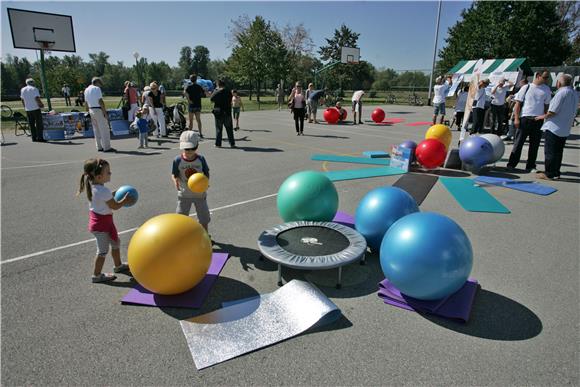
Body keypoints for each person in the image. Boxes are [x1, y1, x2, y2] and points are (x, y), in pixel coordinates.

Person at [77, 158, 132, 283]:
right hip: (101, 225)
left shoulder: (95, 187)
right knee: (102, 251)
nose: (110, 173)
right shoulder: (103, 191)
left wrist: (115, 193)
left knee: (115, 242)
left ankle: (118, 266)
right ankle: (96, 275)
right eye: (108, 172)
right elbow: (115, 206)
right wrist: (125, 200)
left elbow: (104, 198)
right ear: (99, 176)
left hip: (103, 222)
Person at [507, 70, 552, 172]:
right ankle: (511, 164)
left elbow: (546, 106)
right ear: (538, 76)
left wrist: (544, 118)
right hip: (525, 119)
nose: (546, 79)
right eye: (545, 77)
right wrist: (517, 119)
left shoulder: (546, 89)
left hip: (538, 120)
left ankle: (531, 165)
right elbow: (518, 104)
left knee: (534, 145)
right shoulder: (526, 87)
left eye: (547, 77)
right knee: (518, 143)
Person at [535, 74, 578, 180]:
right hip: (565, 127)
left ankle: (549, 173)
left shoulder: (561, 93)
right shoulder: (574, 93)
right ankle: (556, 172)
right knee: (558, 151)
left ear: (558, 83)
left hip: (554, 126)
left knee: (550, 151)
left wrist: (541, 117)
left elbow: (552, 111)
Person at [171, 131, 211, 232]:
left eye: (192, 148)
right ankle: (182, 237)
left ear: (197, 146)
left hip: (200, 194)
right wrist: (175, 180)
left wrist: (206, 182)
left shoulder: (201, 159)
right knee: (181, 218)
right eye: (186, 149)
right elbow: (174, 174)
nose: (189, 151)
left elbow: (206, 173)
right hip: (184, 194)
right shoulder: (177, 160)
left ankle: (205, 236)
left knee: (204, 218)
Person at [85, 77, 115, 152]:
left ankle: (99, 146)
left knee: (96, 129)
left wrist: (87, 111)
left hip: (91, 109)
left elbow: (85, 103)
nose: (101, 85)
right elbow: (100, 101)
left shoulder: (86, 89)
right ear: (97, 82)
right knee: (104, 129)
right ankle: (107, 147)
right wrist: (105, 112)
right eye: (100, 83)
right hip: (98, 109)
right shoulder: (96, 89)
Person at [210, 79, 236, 148]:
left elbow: (211, 99)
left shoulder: (217, 91)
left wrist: (215, 90)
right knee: (229, 129)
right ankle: (232, 143)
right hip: (227, 112)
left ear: (218, 84)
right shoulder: (228, 92)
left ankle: (218, 144)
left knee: (219, 128)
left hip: (219, 112)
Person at [20, 78, 45, 142]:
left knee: (31, 124)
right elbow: (36, 98)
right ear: (32, 82)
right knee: (39, 124)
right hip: (35, 108)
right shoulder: (34, 89)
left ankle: (33, 137)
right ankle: (40, 138)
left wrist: (25, 106)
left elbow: (22, 99)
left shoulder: (23, 89)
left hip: (28, 109)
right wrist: (41, 104)